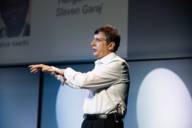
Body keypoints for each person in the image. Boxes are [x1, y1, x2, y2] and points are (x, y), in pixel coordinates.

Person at [29, 25, 130, 128]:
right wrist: (54, 71)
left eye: (98, 40)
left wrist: (63, 71)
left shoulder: (117, 65)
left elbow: (84, 81)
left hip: (106, 123)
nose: (92, 43)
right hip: (90, 122)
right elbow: (79, 84)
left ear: (111, 45)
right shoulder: (101, 65)